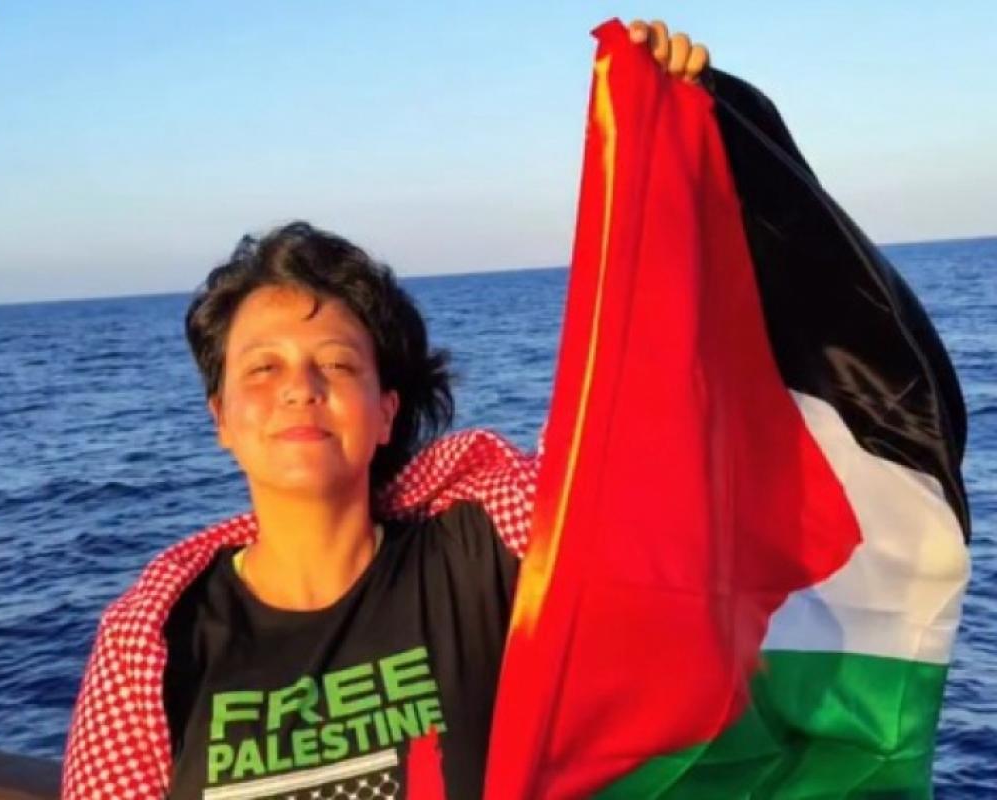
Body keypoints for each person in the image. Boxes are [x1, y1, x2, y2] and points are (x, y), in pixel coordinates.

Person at [62, 21, 710, 800]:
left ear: (385, 412)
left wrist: (664, 157)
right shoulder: (153, 641)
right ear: (222, 419)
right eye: (263, 368)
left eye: (337, 363)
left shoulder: (486, 551)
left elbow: (628, 446)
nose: (300, 387)